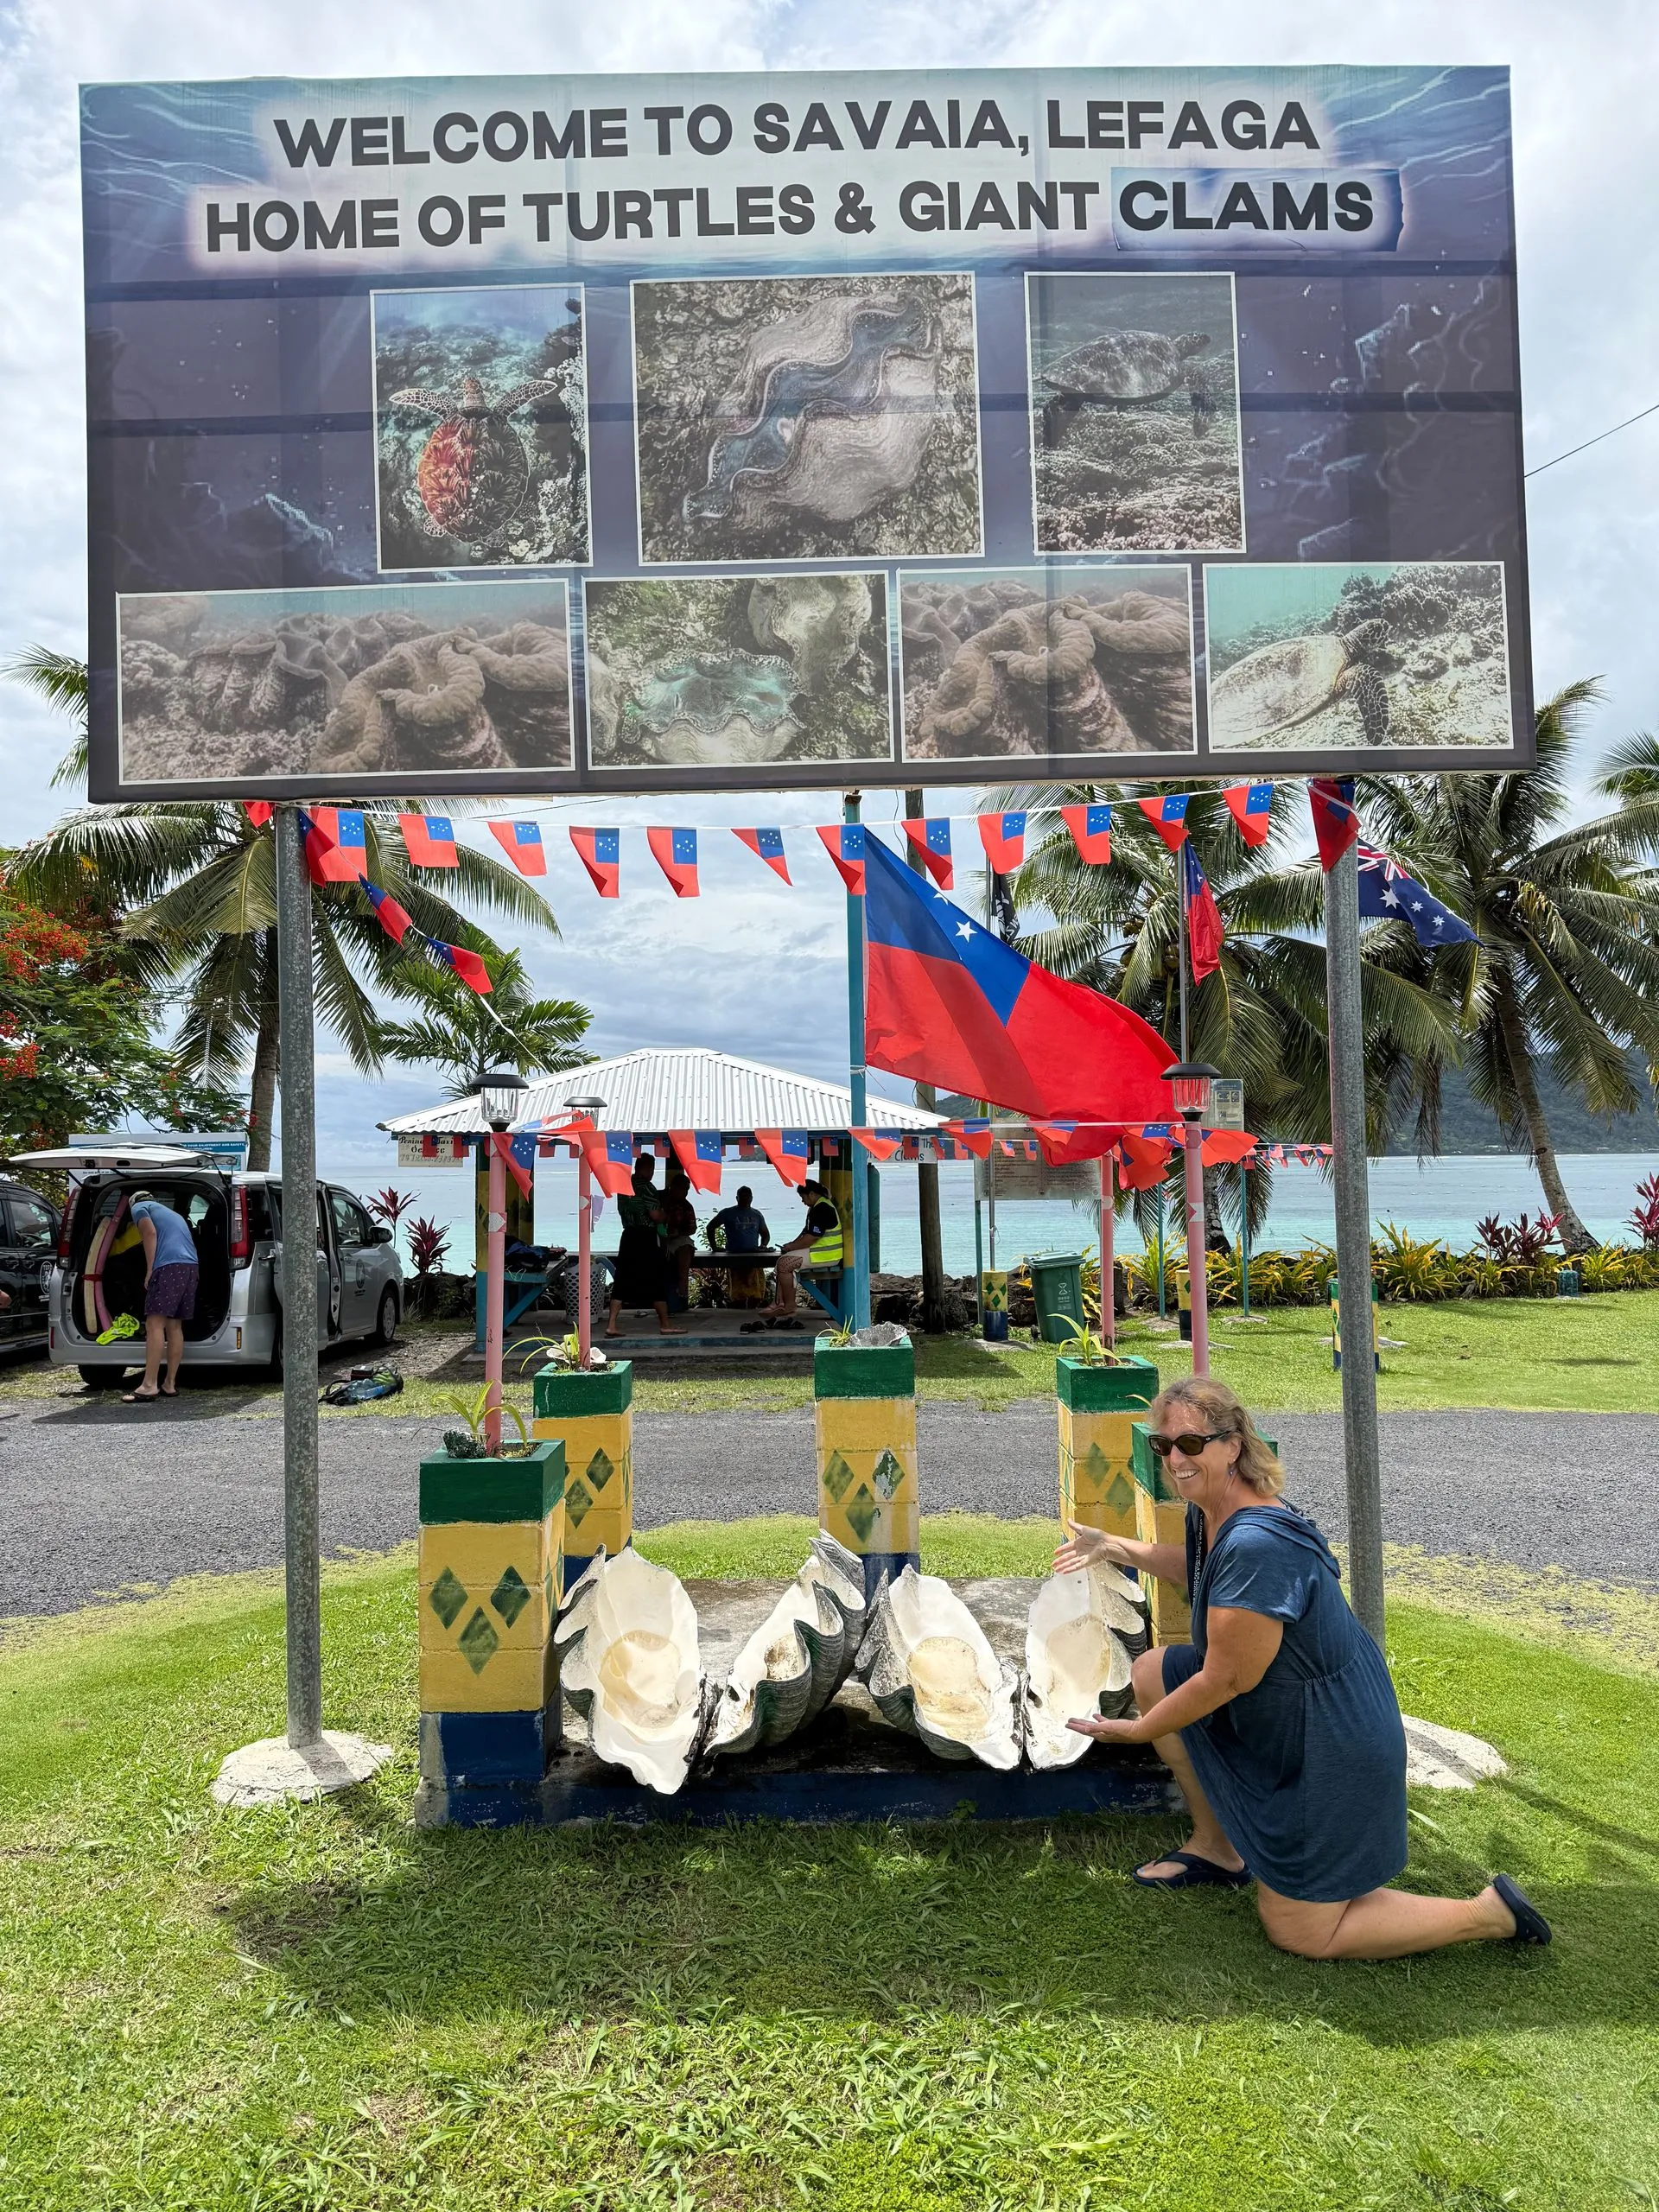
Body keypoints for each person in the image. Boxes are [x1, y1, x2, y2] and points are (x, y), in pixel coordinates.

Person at [1056, 1376, 1551, 1960]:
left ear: (1232, 1445)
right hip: (1285, 1701)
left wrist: (1141, 1730)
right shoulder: (1212, 1511)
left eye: (1191, 1444)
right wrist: (1112, 1546)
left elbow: (1226, 1679)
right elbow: (1203, 1575)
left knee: (1302, 1931)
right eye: (1164, 1446)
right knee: (1158, 1672)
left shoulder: (1256, 1542)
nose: (1175, 1460)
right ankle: (1220, 1850)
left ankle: (1488, 1914)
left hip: (1332, 1735)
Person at [123, 1190, 200, 1404]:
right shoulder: (173, 1214)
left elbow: (150, 1234)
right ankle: (170, 1383)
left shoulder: (140, 1208)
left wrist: (150, 1270)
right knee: (174, 1326)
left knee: (154, 1324)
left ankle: (148, 1386)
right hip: (190, 1267)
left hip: (169, 1267)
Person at [605, 1157, 683, 1338]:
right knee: (657, 1278)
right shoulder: (647, 1187)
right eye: (652, 1169)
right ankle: (665, 1324)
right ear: (648, 1169)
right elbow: (655, 1215)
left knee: (622, 1279)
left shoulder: (623, 1186)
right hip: (645, 1236)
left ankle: (611, 1325)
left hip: (628, 1235)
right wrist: (666, 1216)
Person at [759, 1179, 842, 1324]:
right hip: (816, 1254)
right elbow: (805, 1233)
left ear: (811, 1194)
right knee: (782, 1261)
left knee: (785, 1264)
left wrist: (792, 1247)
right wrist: (791, 1245)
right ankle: (778, 1303)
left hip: (825, 1255)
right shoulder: (816, 1207)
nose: (802, 1201)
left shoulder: (823, 1208)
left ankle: (789, 1305)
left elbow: (812, 1238)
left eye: (803, 1197)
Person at [708, 1185, 772, 1307]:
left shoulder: (757, 1214)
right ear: (737, 1198)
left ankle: (753, 1309)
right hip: (733, 1256)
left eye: (747, 1197)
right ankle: (739, 1308)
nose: (745, 1199)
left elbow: (765, 1234)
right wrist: (714, 1247)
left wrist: (763, 1245)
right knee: (737, 1291)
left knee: (755, 1290)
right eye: (742, 1197)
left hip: (753, 1257)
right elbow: (710, 1227)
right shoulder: (727, 1213)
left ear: (752, 1198)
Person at [661, 1168, 698, 1306]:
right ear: (673, 1187)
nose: (685, 1192)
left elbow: (692, 1229)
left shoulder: (687, 1206)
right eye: (682, 1189)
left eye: (687, 1190)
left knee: (685, 1245)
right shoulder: (660, 1199)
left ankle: (682, 1281)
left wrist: (677, 1233)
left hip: (676, 1240)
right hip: (656, 1238)